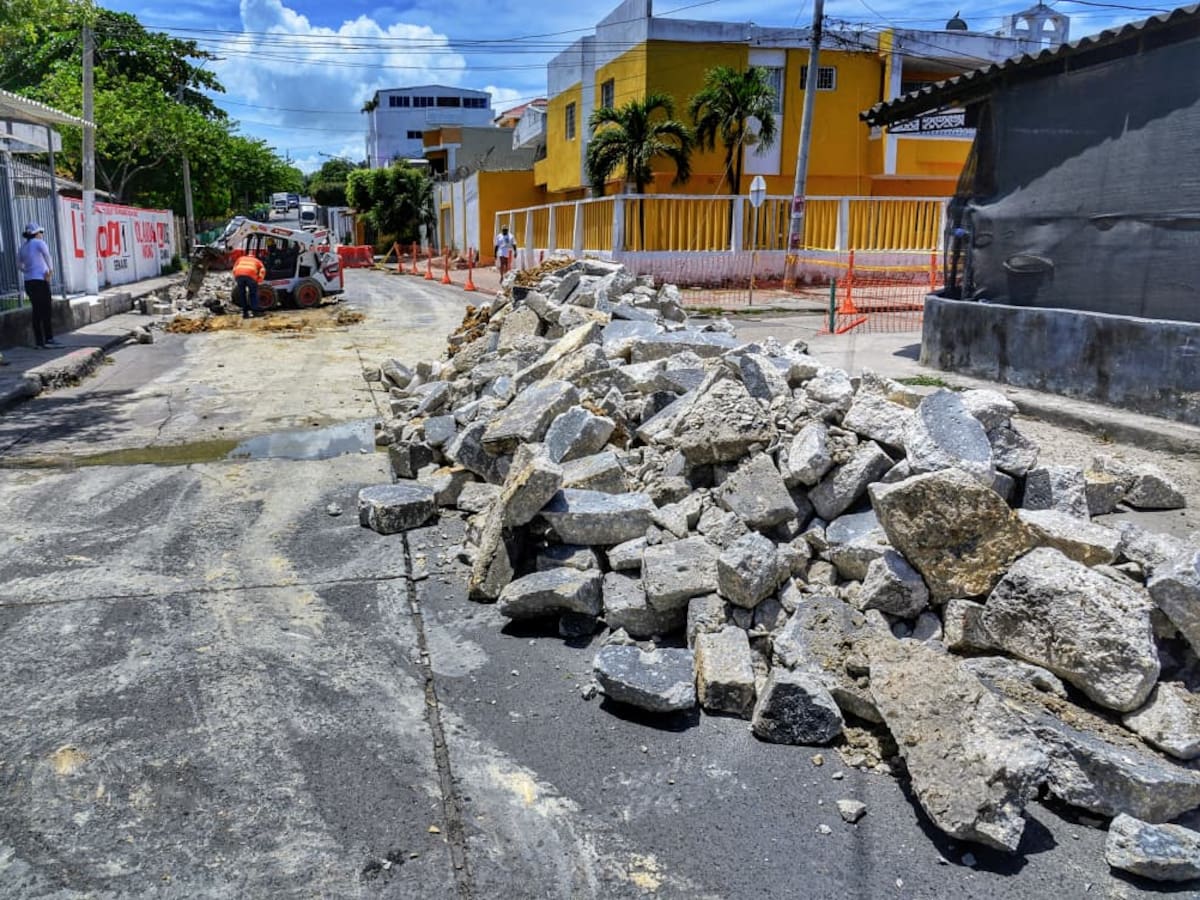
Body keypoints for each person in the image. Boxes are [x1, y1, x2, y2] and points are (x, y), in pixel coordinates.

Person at [17, 223, 59, 349]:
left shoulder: (22, 247)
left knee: (36, 310)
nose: (42, 234)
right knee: (46, 309)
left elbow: (19, 265)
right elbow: (47, 255)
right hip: (40, 280)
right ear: (37, 233)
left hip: (29, 282)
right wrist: (50, 271)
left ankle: (39, 341)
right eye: (41, 232)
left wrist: (28, 272)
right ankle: (49, 339)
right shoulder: (39, 243)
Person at [232, 252, 267, 318]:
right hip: (250, 276)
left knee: (242, 294)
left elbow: (234, 268)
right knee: (253, 294)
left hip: (239, 275)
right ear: (253, 257)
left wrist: (236, 277)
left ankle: (245, 313)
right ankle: (255, 311)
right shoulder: (257, 261)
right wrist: (259, 280)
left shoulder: (240, 259)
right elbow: (262, 270)